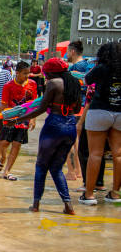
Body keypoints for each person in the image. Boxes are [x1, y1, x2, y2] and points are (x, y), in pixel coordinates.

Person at [10, 58, 81, 215]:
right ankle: (68, 205)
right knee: (56, 168)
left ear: (52, 72)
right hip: (70, 126)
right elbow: (76, 108)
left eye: (46, 73)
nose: (45, 77)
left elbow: (40, 109)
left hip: (54, 125)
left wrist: (17, 119)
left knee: (41, 165)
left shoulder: (53, 83)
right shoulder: (75, 83)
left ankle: (35, 204)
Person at [79, 42, 121, 205]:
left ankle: (89, 195)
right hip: (119, 112)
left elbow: (87, 80)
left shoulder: (102, 67)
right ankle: (115, 194)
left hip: (99, 111)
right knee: (118, 154)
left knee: (95, 154)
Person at [0, 61, 37, 181]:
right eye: (24, 73)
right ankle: (2, 158)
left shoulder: (32, 84)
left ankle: (7, 171)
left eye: (28, 73)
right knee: (4, 143)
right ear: (17, 73)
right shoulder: (8, 86)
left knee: (17, 144)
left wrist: (33, 119)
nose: (27, 76)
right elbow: (3, 104)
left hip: (24, 119)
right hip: (9, 118)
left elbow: (34, 105)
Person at [66, 40, 101, 186]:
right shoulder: (90, 66)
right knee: (83, 141)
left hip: (73, 107)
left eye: (68, 51)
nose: (67, 54)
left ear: (73, 51)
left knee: (70, 139)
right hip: (88, 107)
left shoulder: (73, 68)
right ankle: (81, 171)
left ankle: (72, 171)